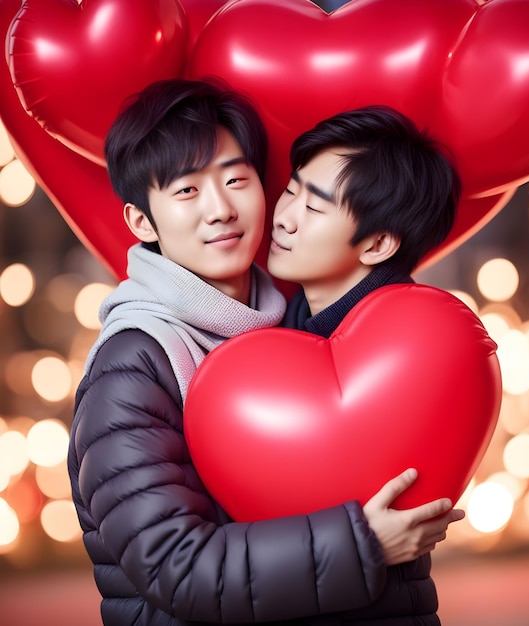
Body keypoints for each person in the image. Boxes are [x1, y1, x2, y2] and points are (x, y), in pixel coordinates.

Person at [67, 77, 460, 626]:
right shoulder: (134, 365)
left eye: (236, 179)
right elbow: (175, 567)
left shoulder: (314, 332)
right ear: (141, 221)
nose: (221, 209)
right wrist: (363, 545)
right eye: (187, 191)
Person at [267, 104, 464, 624]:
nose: (283, 217)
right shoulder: (268, 327)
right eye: (290, 190)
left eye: (313, 209)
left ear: (377, 244)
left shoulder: (414, 348)